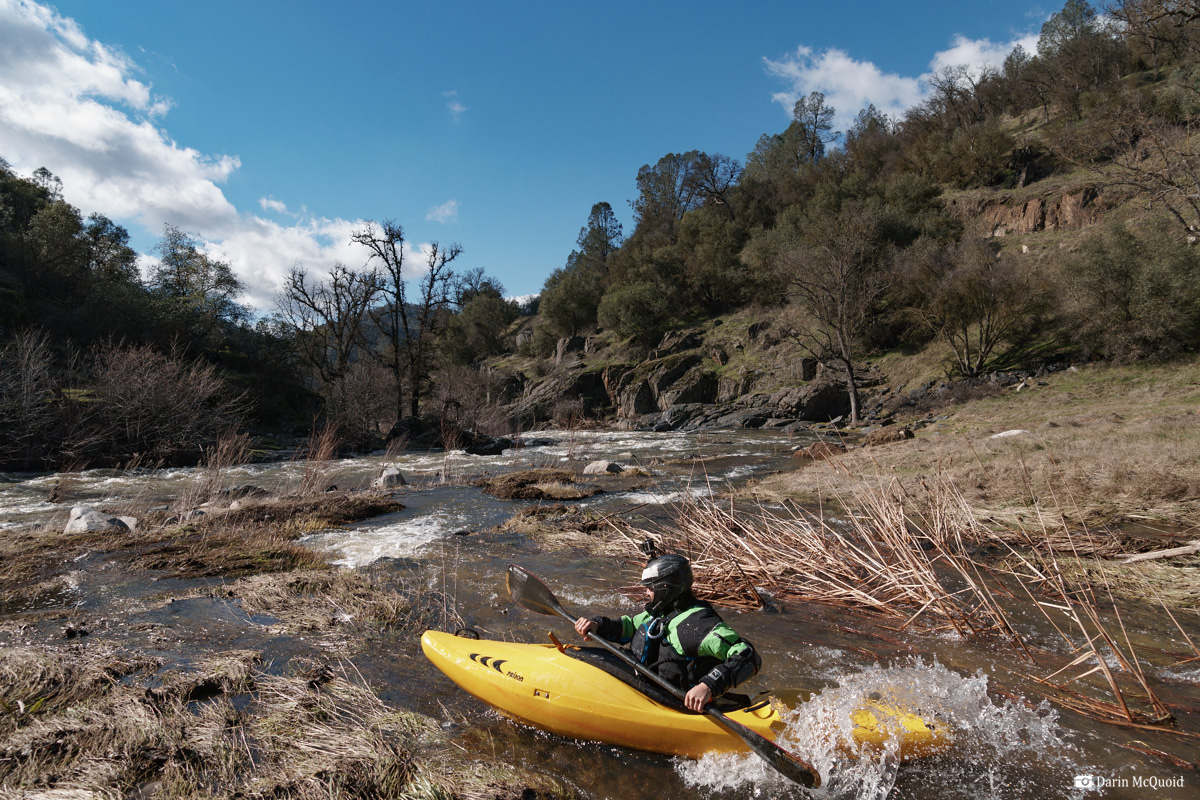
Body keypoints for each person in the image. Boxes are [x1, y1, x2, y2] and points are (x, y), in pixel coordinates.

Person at [574, 553, 761, 712]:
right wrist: (597, 625)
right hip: (645, 689)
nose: (647, 593)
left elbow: (747, 655)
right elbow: (629, 627)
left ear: (665, 589)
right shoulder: (663, 612)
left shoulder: (697, 625)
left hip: (675, 705)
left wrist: (708, 686)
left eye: (650, 588)